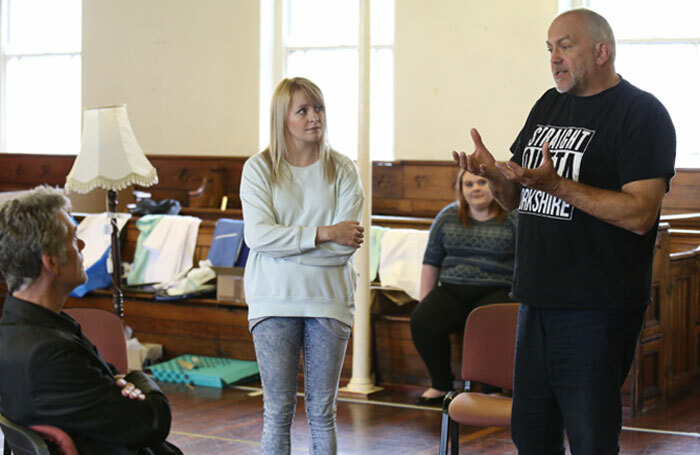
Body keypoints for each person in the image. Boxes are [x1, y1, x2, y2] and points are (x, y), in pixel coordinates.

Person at [453, 8, 676, 454]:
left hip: (597, 308)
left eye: (565, 46)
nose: (554, 57)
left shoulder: (642, 114)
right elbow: (518, 199)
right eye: (549, 48)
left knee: (591, 439)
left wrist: (559, 185)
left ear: (601, 51)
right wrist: (493, 175)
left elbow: (639, 214)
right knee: (532, 436)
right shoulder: (548, 104)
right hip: (536, 300)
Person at [0, 186, 182, 455]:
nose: (82, 245)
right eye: (74, 239)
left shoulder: (25, 328)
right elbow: (151, 422)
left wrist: (124, 382)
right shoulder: (48, 352)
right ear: (51, 262)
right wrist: (140, 379)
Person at [240, 77, 365, 455]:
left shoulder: (344, 169)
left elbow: (344, 250)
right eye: (303, 110)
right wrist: (325, 233)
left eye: (319, 108)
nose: (315, 117)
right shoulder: (259, 169)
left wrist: (286, 248)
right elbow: (257, 237)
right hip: (273, 300)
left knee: (321, 412)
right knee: (277, 412)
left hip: (328, 302)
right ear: (283, 119)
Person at [410, 169, 516, 405]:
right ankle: (441, 385)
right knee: (422, 320)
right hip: (453, 289)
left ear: (495, 186)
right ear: (461, 189)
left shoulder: (512, 217)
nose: (475, 188)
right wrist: (424, 301)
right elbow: (431, 262)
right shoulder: (447, 217)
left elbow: (525, 263)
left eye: (481, 182)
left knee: (489, 321)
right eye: (468, 184)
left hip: (497, 289)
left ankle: (492, 389)